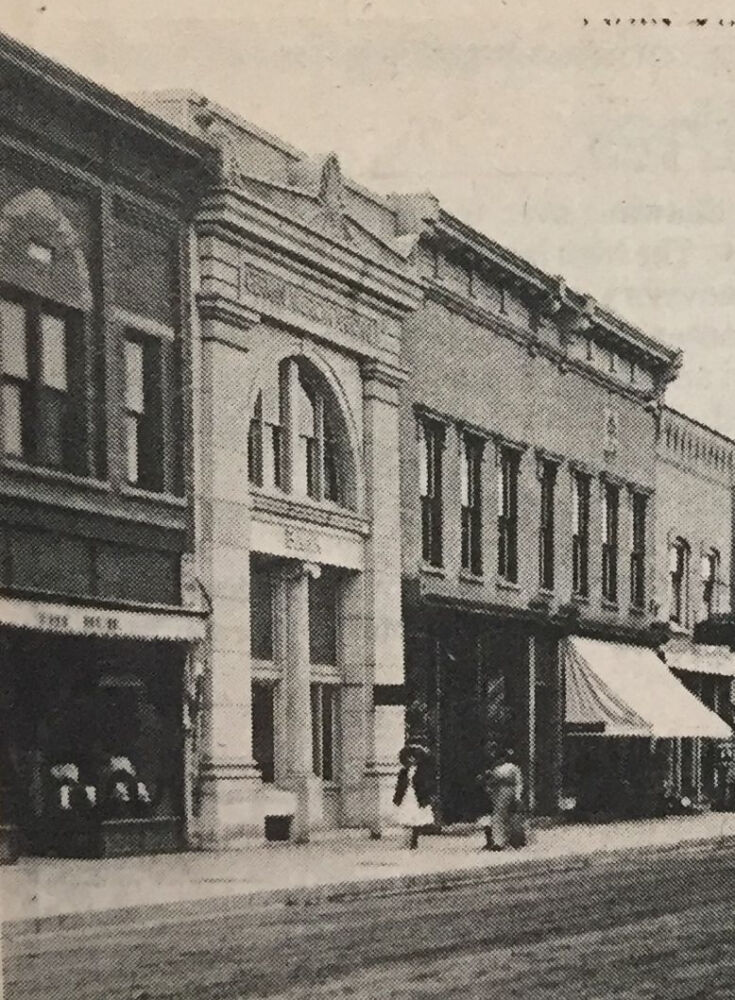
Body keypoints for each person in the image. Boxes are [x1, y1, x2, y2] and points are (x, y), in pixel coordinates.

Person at [480, 747, 524, 851]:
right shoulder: (496, 769)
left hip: (509, 792)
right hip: (498, 793)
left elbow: (518, 782)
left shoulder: (512, 768)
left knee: (510, 817)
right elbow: (491, 783)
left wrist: (518, 796)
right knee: (498, 817)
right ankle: (498, 842)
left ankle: (514, 840)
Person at [393, 744, 434, 849]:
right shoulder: (403, 772)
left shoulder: (422, 772)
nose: (411, 760)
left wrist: (427, 797)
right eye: (409, 758)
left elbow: (426, 785)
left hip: (417, 796)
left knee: (417, 818)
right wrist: (397, 798)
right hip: (408, 795)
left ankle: (414, 840)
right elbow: (399, 786)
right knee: (407, 817)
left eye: (413, 758)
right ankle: (408, 839)